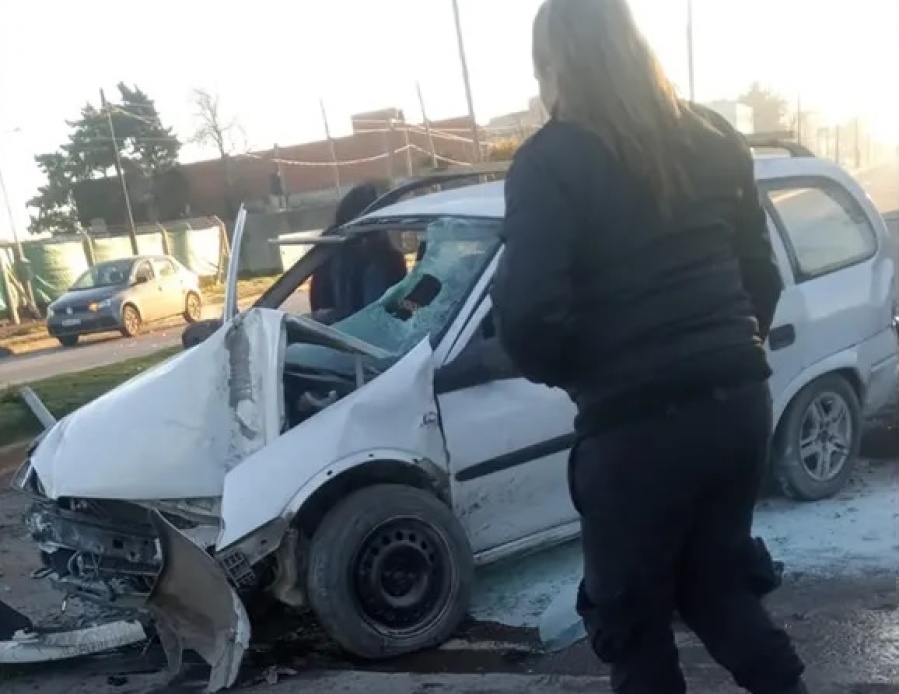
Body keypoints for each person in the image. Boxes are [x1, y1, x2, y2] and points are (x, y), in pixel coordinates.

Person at [491, 1, 807, 693]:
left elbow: (530, 316)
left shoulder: (550, 162)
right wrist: (718, 348)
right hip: (736, 408)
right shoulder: (711, 136)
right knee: (716, 585)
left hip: (636, 431)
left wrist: (593, 378)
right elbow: (761, 276)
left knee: (630, 623)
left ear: (554, 64)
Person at [310, 182, 407, 322]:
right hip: (341, 333)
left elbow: (402, 307)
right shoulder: (330, 249)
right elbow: (318, 303)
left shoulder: (390, 260)